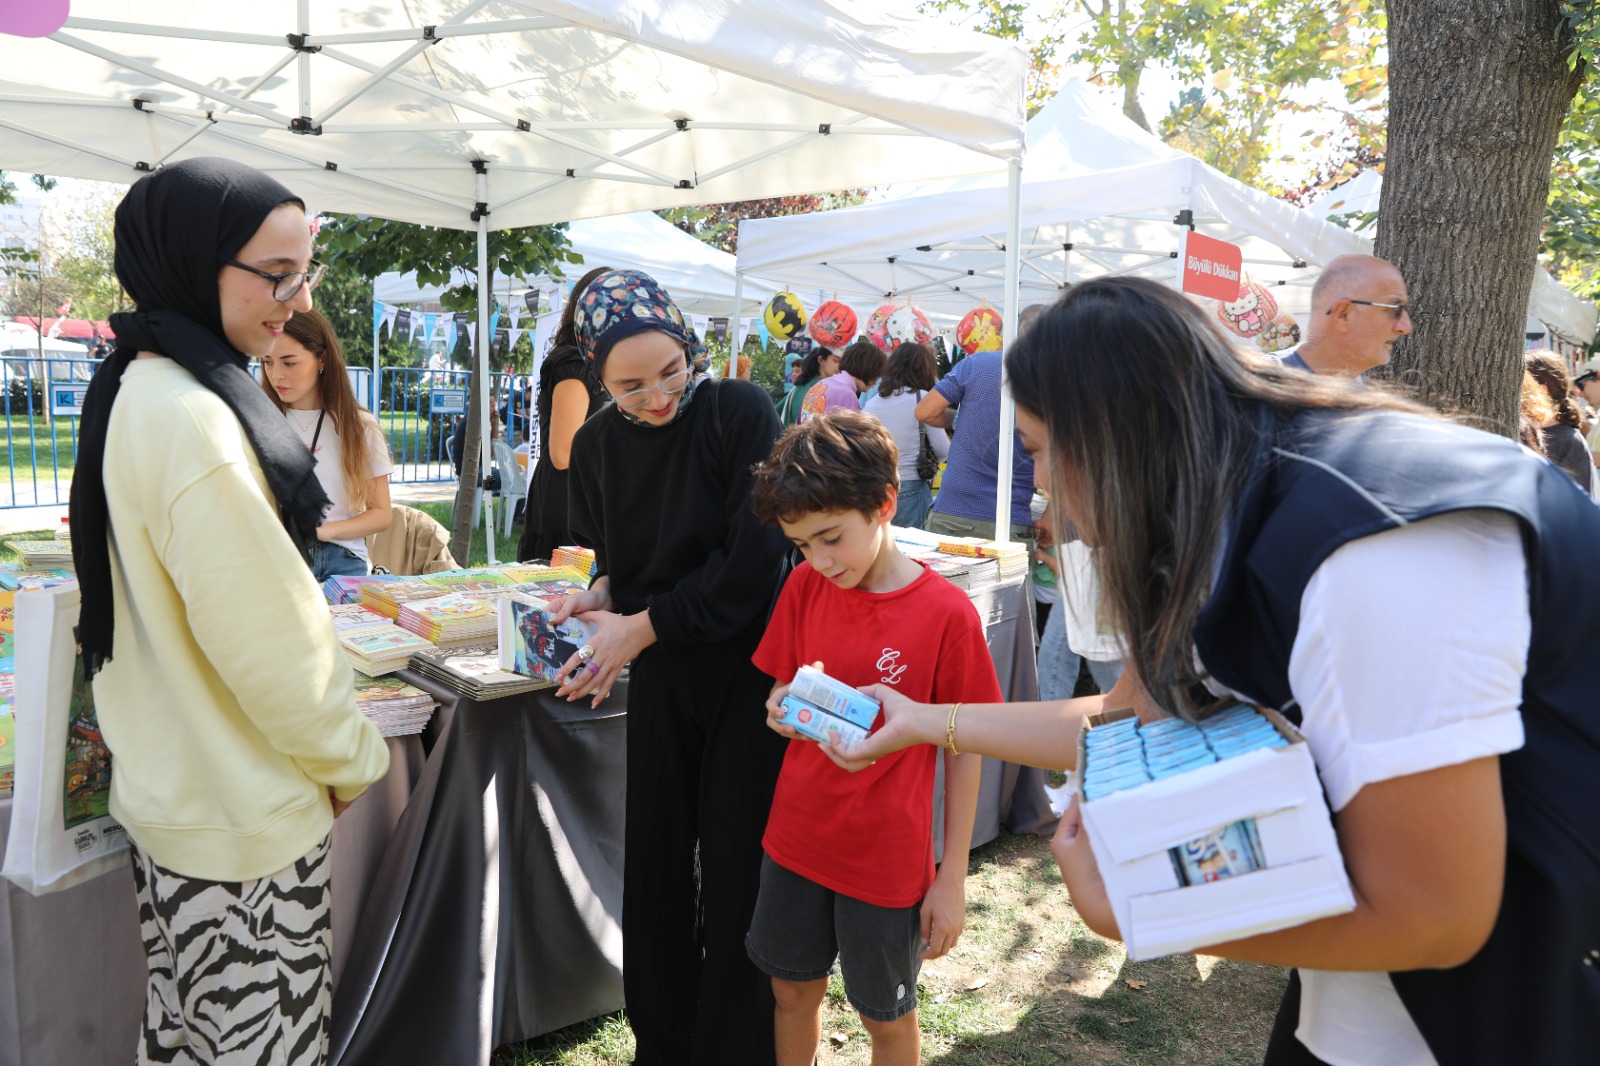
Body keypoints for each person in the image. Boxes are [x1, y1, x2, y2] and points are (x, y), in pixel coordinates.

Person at [833, 277, 1600, 1066]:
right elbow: (1128, 717)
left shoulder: (1375, 553)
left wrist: (1144, 908)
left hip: (1499, 1014)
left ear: (1111, 431)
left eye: (1036, 451)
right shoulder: (1252, 495)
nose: (1046, 497)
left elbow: (1437, 915)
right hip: (1372, 1001)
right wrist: (925, 721)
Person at [68, 157, 390, 1065]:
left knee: (186, 1043)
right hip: (241, 823)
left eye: (304, 273)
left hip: (186, 804)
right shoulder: (193, 417)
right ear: (191, 260)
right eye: (275, 274)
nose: (293, 299)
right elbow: (274, 644)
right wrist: (350, 759)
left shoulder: (145, 386)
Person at [549, 269, 791, 1064]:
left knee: (735, 873)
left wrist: (640, 626)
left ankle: (735, 1049)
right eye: (629, 384)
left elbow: (749, 565)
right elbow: (625, 560)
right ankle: (662, 1042)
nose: (656, 396)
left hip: (747, 671)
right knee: (653, 864)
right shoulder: (594, 445)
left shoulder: (738, 413)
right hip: (659, 666)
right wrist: (598, 597)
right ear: (594, 374)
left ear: (691, 347)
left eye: (672, 371)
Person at [744, 411, 996, 1066]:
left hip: (886, 857)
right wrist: (780, 706)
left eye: (831, 537)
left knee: (885, 1017)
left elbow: (966, 747)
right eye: (802, 545)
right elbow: (779, 688)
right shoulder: (802, 586)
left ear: (884, 504)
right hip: (797, 837)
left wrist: (952, 876)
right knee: (792, 993)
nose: (820, 561)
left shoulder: (947, 615)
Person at [259, 308, 394, 582]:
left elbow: (381, 514)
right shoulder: (258, 422)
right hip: (280, 558)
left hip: (343, 559)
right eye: (267, 362)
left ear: (322, 359)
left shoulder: (359, 425)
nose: (276, 376)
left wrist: (324, 531)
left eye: (289, 363)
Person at [515, 265, 609, 562]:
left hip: (583, 496)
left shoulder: (598, 364)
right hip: (569, 503)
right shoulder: (576, 366)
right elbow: (563, 453)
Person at [914, 332, 1035, 544]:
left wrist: (963, 418)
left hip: (953, 512)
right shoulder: (1059, 379)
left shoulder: (976, 364)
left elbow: (925, 411)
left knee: (941, 579)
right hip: (1010, 519)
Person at [1278, 253, 1412, 378]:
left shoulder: (1359, 390)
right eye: (1394, 309)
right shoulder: (1263, 391)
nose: (1405, 327)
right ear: (1343, 315)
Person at [862, 341, 948, 529]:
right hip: (912, 486)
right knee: (912, 555)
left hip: (876, 488)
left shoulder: (872, 403)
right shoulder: (923, 399)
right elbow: (943, 450)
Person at [1523, 348, 1593, 491]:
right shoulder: (1523, 431)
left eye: (1524, 388)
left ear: (1542, 391)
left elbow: (1579, 503)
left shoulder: (1570, 443)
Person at [798, 340, 884, 423]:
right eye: (876, 374)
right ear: (866, 368)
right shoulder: (847, 394)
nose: (875, 382)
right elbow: (850, 434)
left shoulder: (820, 384)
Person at [779, 346, 834, 426]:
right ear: (821, 361)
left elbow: (774, 410)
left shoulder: (797, 389)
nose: (838, 366)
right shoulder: (825, 387)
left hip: (792, 436)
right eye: (835, 361)